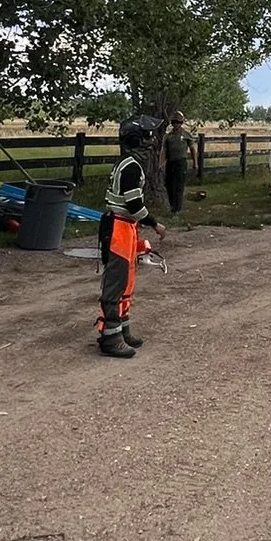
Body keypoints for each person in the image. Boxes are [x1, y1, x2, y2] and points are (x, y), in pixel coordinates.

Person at [98, 115, 165, 359]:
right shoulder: (131, 167)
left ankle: (122, 329)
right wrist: (155, 224)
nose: (151, 140)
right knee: (116, 283)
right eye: (147, 136)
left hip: (125, 227)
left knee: (126, 282)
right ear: (136, 140)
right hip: (119, 228)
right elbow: (134, 205)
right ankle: (110, 338)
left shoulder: (127, 163)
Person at [162, 111, 196, 215]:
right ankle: (172, 206)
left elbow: (192, 149)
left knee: (179, 185)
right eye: (174, 122)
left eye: (178, 122)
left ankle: (177, 208)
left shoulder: (186, 135)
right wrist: (161, 163)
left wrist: (195, 163)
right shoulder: (168, 136)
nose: (176, 124)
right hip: (170, 162)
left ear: (181, 123)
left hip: (181, 162)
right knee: (169, 185)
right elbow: (164, 150)